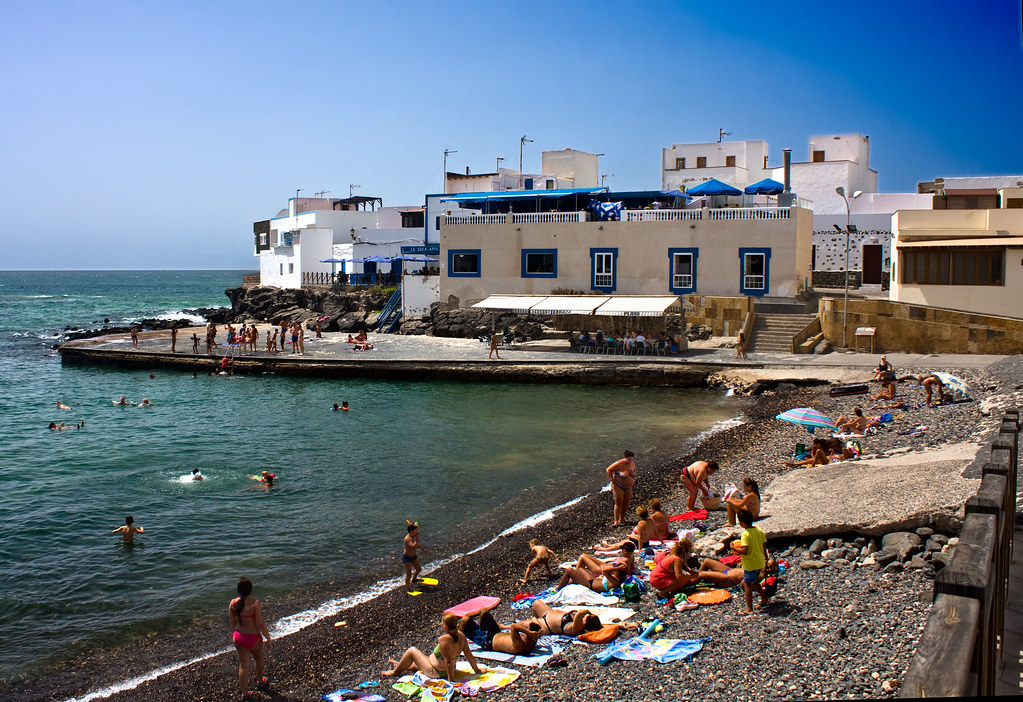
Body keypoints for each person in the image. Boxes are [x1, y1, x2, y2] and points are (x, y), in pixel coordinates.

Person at [381, 613, 482, 680]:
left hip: (436, 672)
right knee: (419, 661)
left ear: (446, 626)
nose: (441, 625)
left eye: (442, 623)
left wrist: (451, 682)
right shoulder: (461, 635)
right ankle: (399, 664)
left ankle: (394, 672)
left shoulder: (444, 640)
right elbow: (468, 655)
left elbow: (449, 661)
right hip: (447, 669)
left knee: (412, 651)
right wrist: (476, 670)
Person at [229, 577, 271, 698]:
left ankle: (245, 694)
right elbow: (260, 624)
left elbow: (233, 623)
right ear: (250, 590)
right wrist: (268, 638)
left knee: (243, 666)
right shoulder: (255, 603)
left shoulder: (232, 603)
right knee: (258, 659)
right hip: (253, 638)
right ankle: (260, 681)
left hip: (239, 637)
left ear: (238, 590)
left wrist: (236, 634)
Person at [459, 605, 542, 655]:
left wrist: (530, 633)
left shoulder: (522, 646)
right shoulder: (532, 639)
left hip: (487, 640)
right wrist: (538, 631)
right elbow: (534, 618)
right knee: (483, 610)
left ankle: (457, 643)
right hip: (495, 632)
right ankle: (481, 629)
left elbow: (513, 626)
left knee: (464, 620)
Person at [731, 509, 770, 615]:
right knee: (754, 581)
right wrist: (766, 559)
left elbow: (745, 551)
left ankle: (749, 608)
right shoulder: (758, 529)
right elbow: (763, 545)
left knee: (747, 584)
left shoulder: (745, 534)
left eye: (739, 520)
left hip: (750, 563)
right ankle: (764, 598)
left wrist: (733, 548)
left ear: (743, 522)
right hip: (759, 562)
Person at [557, 541, 635, 593]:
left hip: (590, 585)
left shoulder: (615, 581)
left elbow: (604, 570)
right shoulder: (618, 578)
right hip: (592, 580)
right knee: (579, 569)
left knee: (569, 570)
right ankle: (571, 581)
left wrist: (616, 568)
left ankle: (557, 589)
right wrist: (617, 568)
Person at [697, 555, 778, 588]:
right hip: (729, 571)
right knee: (707, 561)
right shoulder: (758, 568)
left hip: (728, 579)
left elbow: (743, 585)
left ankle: (690, 581)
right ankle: (695, 580)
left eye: (767, 564)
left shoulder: (760, 576)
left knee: (701, 574)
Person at [530, 601, 603, 637]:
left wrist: (588, 612)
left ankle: (536, 627)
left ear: (586, 621)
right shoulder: (579, 621)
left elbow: (580, 613)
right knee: (536, 603)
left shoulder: (577, 628)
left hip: (546, 625)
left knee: (529, 623)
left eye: (587, 616)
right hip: (548, 613)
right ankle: (536, 620)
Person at [606, 450, 637, 527]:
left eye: (632, 459)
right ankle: (616, 521)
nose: (630, 461)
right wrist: (612, 482)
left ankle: (622, 519)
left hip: (629, 486)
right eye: (629, 459)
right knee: (619, 503)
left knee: (626, 503)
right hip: (619, 486)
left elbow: (634, 471)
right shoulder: (619, 464)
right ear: (625, 458)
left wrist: (632, 476)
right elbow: (608, 470)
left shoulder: (632, 464)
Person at [403, 520, 428, 591]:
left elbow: (417, 545)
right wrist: (417, 539)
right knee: (409, 574)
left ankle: (414, 579)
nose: (417, 531)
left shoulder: (413, 536)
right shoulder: (407, 539)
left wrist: (423, 549)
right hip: (407, 558)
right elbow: (413, 546)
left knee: (419, 569)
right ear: (411, 531)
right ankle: (407, 588)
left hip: (413, 556)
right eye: (416, 530)